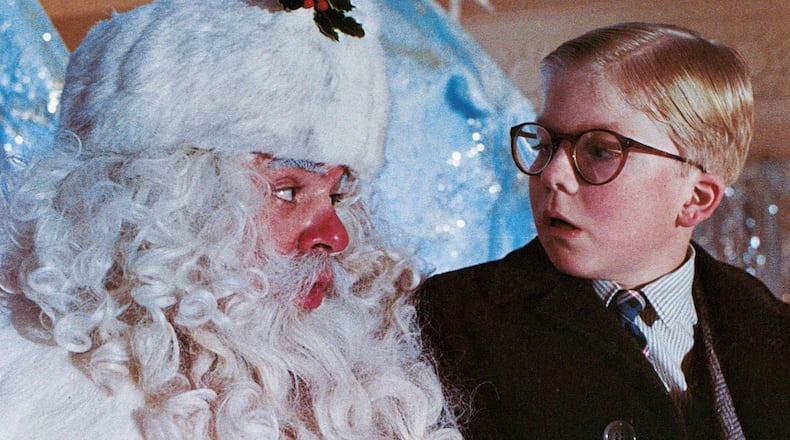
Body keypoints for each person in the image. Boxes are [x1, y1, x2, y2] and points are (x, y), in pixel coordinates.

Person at [0, 0, 462, 438]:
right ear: (154, 208)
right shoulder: (28, 395)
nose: (335, 237)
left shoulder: (368, 386)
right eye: (288, 191)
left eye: (338, 196)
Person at [419, 22, 789, 440]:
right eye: (545, 144)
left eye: (598, 150)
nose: (553, 174)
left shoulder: (770, 332)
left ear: (695, 200)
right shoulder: (448, 321)